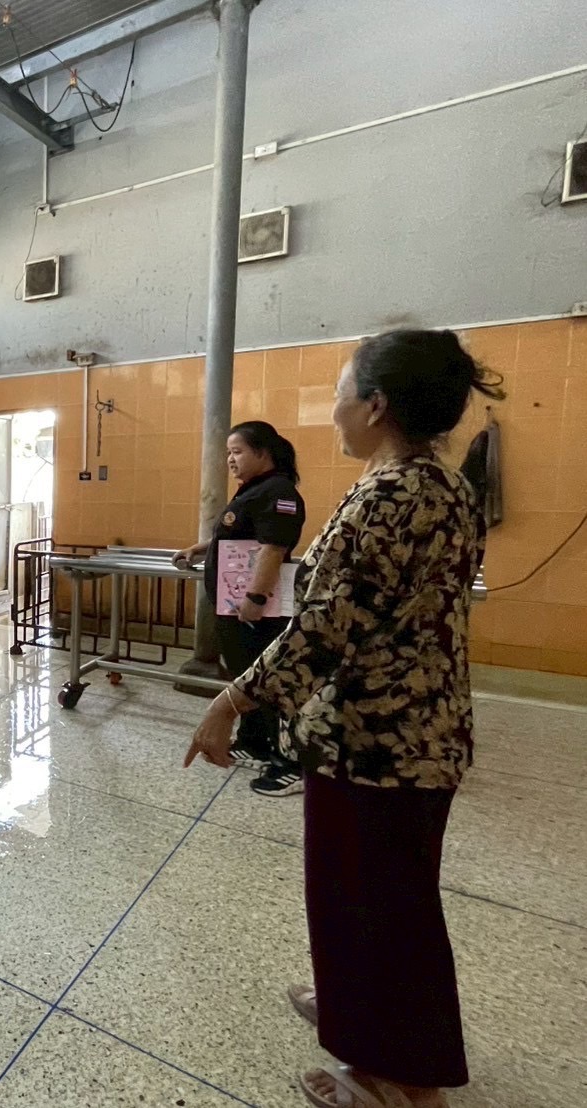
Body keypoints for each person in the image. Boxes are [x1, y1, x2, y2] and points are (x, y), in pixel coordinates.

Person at [184, 329, 504, 1108]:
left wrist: (229, 702)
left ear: (375, 404)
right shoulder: (444, 484)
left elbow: (326, 629)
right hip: (412, 731)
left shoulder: (390, 495)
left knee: (377, 904)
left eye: (338, 394)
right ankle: (355, 1011)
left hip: (378, 741)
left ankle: (401, 1079)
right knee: (370, 896)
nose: (331, 412)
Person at [173, 421, 307, 797]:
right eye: (229, 453)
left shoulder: (278, 492)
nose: (230, 460)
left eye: (238, 452)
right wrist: (199, 549)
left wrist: (256, 599)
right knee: (246, 676)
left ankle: (290, 763)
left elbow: (273, 548)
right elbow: (236, 536)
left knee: (268, 680)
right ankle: (255, 743)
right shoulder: (256, 490)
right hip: (235, 606)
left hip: (256, 609)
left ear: (263, 452)